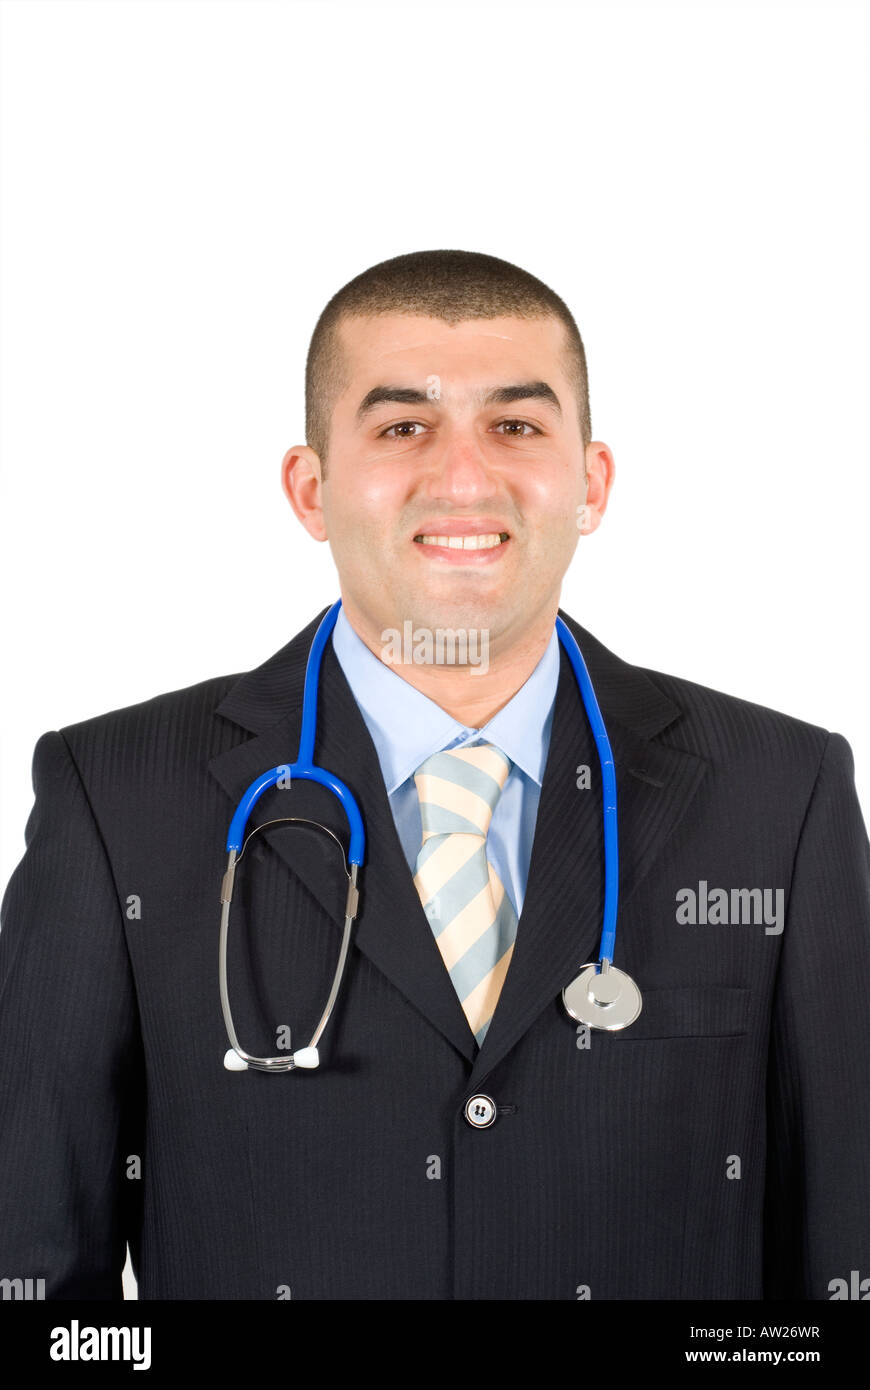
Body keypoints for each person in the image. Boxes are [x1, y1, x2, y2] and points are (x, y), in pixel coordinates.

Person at [1, 248, 868, 1301]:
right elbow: (38, 1274)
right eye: (403, 426)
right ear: (310, 487)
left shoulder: (781, 796)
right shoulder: (117, 798)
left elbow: (844, 1259)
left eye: (516, 425)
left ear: (589, 482)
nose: (464, 476)